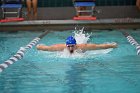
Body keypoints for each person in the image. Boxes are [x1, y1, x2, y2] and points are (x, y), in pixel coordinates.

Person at [36, 36, 117, 54]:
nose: (71, 48)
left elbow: (99, 46)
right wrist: (39, 47)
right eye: (69, 46)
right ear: (66, 45)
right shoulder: (60, 47)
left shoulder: (84, 46)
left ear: (76, 44)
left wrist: (112, 45)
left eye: (72, 45)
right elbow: (48, 48)